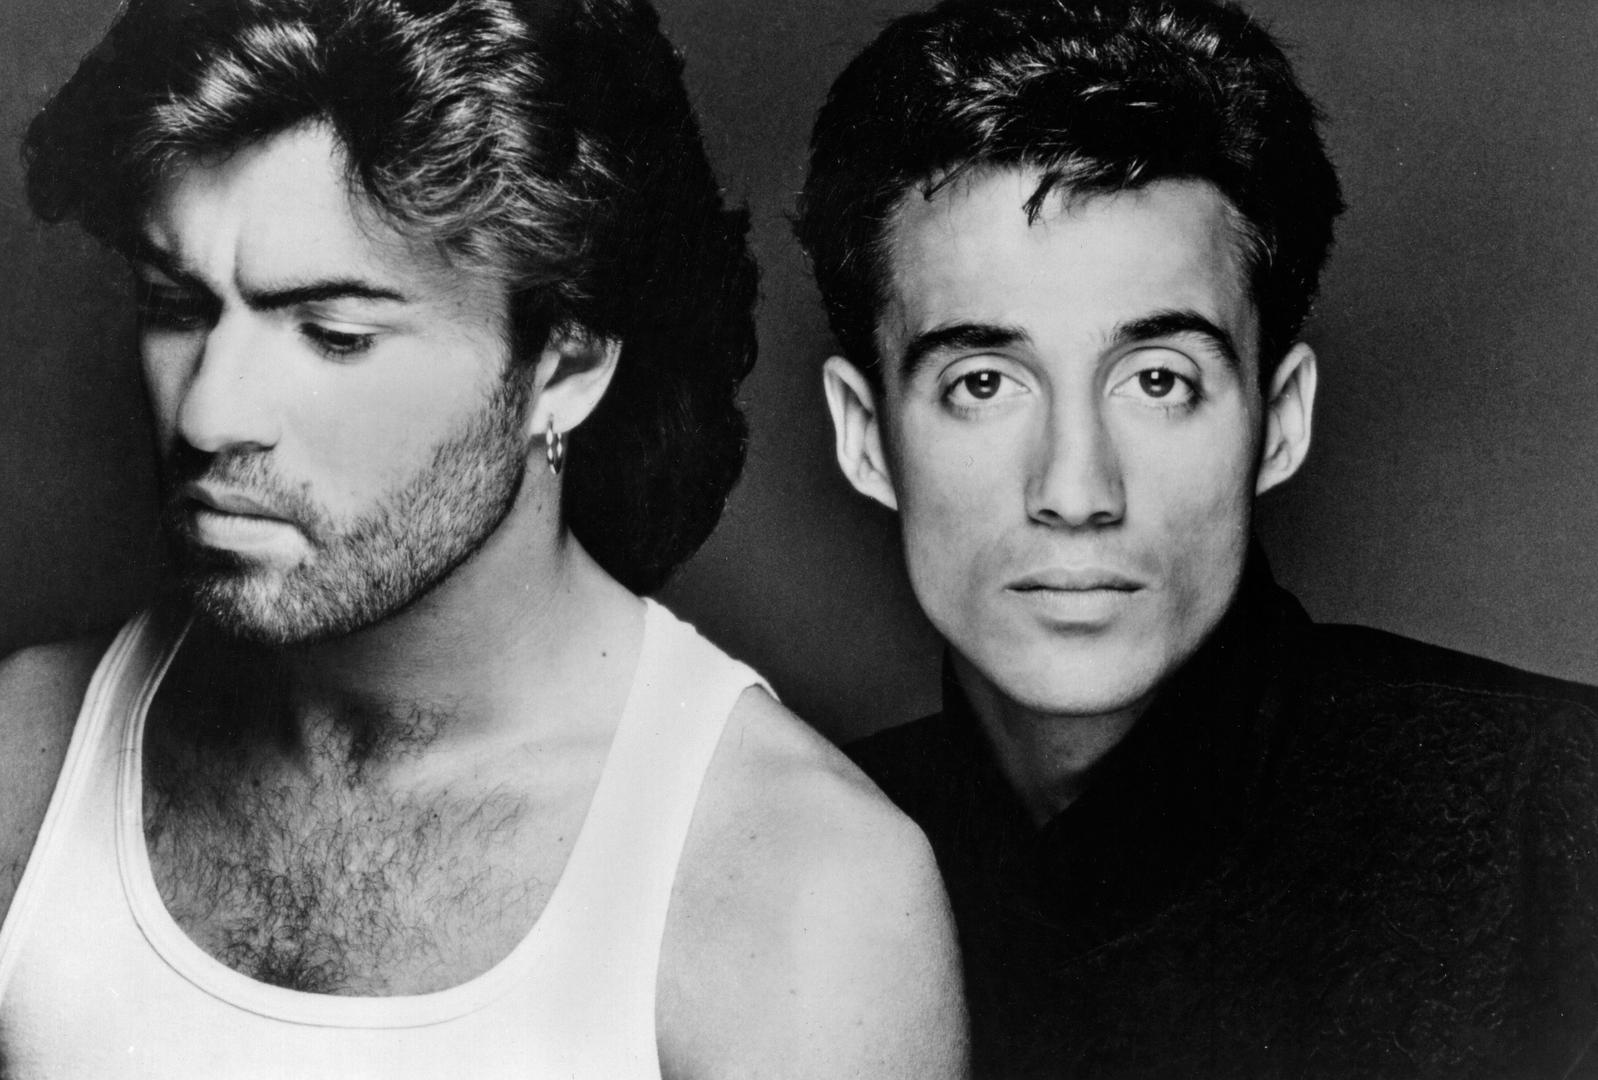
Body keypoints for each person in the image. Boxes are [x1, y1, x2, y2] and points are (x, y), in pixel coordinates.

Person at [0, 0, 966, 1076]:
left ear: (564, 367)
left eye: (334, 335)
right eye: (176, 306)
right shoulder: (25, 754)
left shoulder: (799, 889)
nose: (208, 414)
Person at [795, 0, 1598, 1076]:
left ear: (1280, 420)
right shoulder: (791, 862)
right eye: (982, 383)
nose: (1075, 489)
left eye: (1158, 381)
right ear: (864, 438)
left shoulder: (1553, 818)